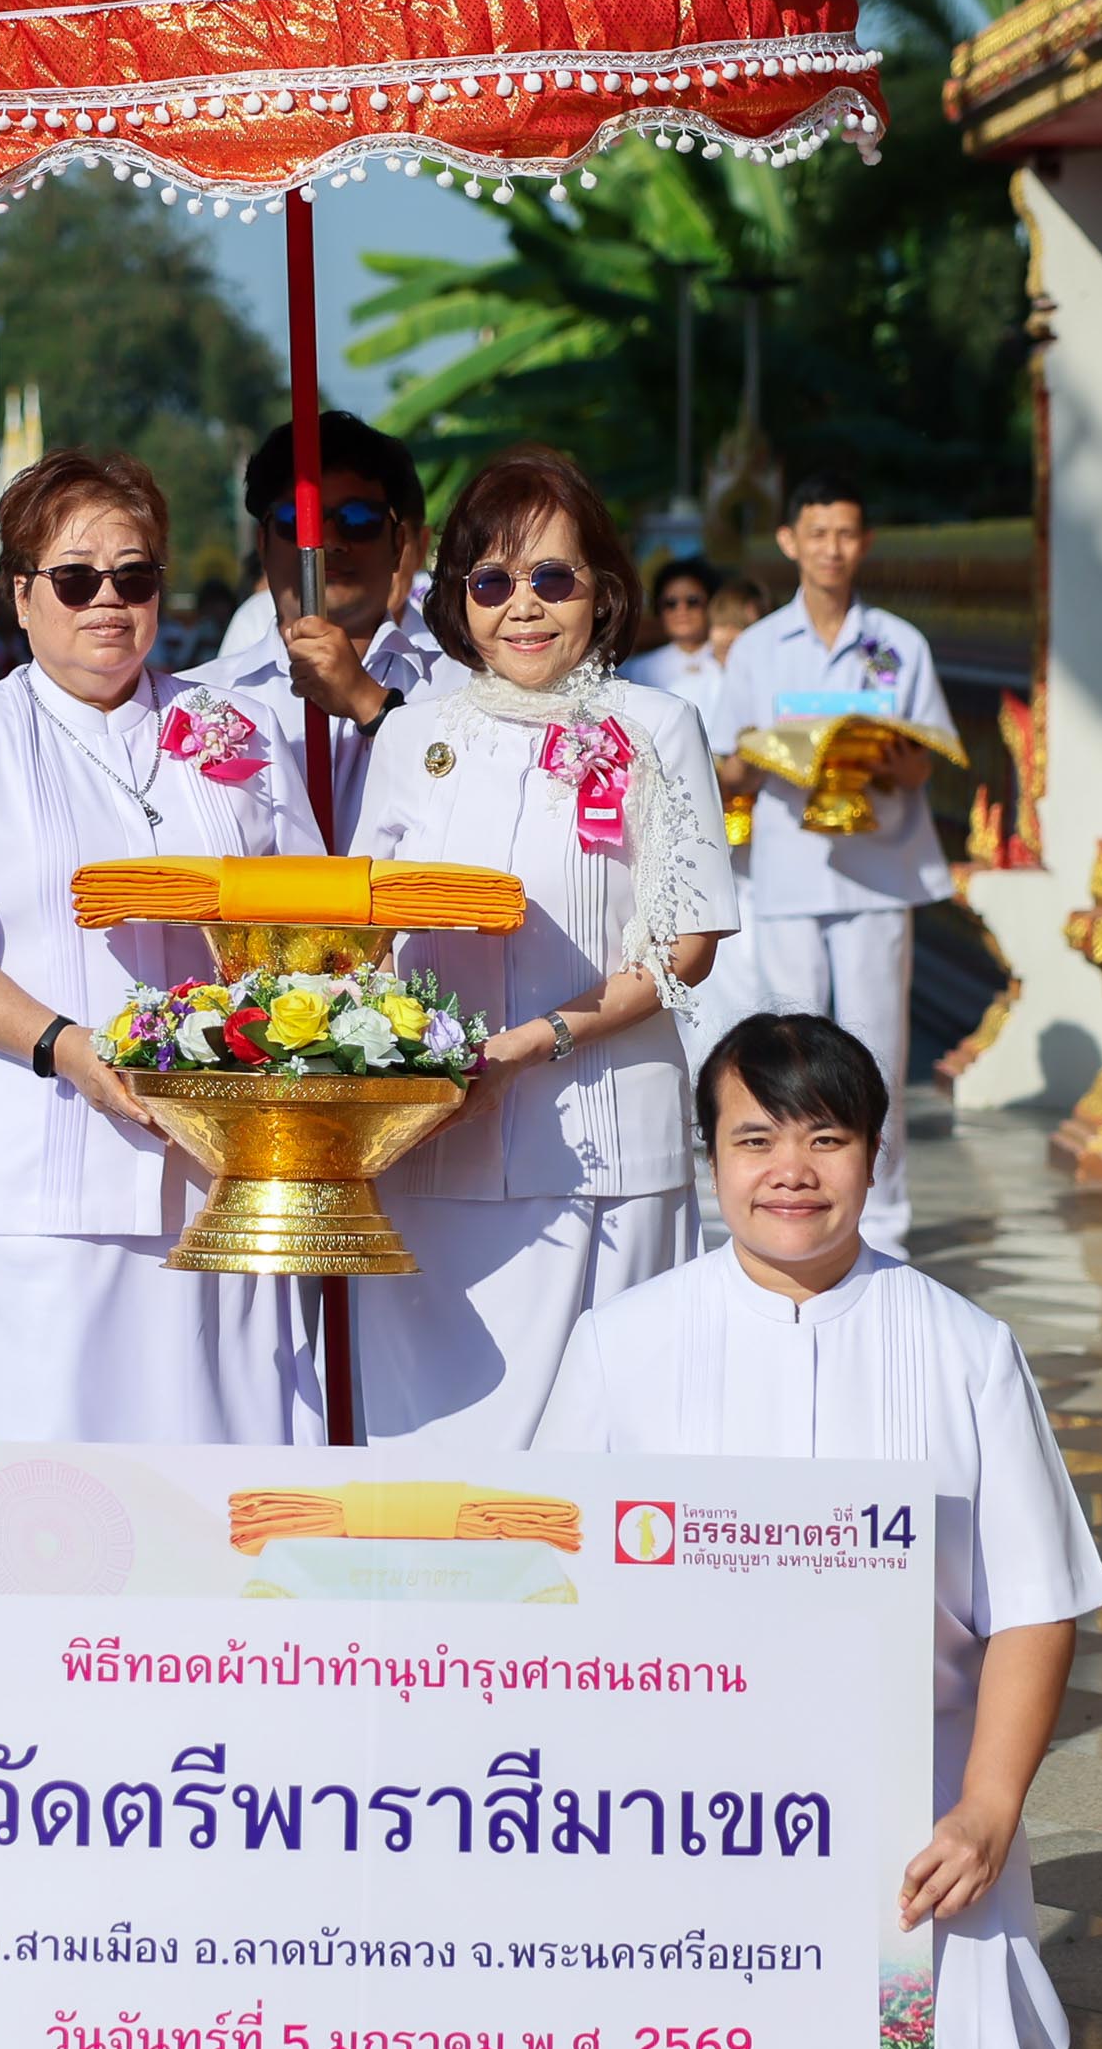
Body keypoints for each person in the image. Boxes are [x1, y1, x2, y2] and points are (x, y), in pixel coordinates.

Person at [535, 1012, 1102, 2049]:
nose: (790, 1171)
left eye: (825, 1138)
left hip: (912, 1801)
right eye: (754, 1141)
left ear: (875, 1154)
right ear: (710, 1158)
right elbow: (544, 1585)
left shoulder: (968, 1350)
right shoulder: (622, 1342)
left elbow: (1035, 1607)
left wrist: (986, 1811)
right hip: (673, 1794)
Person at [0, 450, 324, 1444]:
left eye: (134, 576)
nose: (108, 601)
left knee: (216, 1466)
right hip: (28, 1186)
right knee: (43, 1483)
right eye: (76, 579)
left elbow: (311, 910)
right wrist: (67, 1047)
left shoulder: (235, 726)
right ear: (21, 595)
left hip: (215, 1171)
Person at [348, 448, 735, 1444]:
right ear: (457, 600)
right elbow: (360, 931)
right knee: (434, 1458)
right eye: (492, 582)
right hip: (433, 1150)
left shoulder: (658, 727)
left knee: (601, 1462)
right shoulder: (412, 738)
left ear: (601, 590)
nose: (523, 607)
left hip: (604, 1148)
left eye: (551, 578)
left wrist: (532, 1043)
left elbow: (688, 944)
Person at [716, 475, 958, 1251]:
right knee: (789, 1053)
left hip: (876, 872)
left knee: (878, 1054)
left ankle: (882, 1226)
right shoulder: (758, 648)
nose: (832, 549)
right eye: (818, 533)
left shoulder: (897, 644)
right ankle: (785, 1214)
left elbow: (924, 762)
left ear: (865, 543)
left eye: (846, 534)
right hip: (788, 871)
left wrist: (876, 754)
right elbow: (727, 763)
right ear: (790, 541)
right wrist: (768, 754)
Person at [186, 411, 441, 840]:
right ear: (263, 544)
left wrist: (370, 705)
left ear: (399, 545)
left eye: (358, 519)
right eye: (298, 520)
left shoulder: (463, 689)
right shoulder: (194, 700)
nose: (327, 542)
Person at [622, 555, 731, 743]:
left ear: (711, 604)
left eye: (692, 601)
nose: (682, 610)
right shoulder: (636, 670)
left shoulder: (732, 659)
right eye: (670, 603)